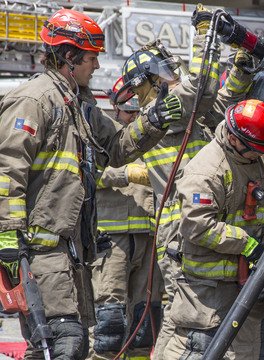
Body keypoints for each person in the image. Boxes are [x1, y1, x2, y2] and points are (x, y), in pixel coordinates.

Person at [0, 8, 180, 359]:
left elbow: (115, 148)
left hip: (72, 253)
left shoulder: (79, 106)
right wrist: (7, 236)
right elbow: (6, 168)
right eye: (91, 58)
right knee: (61, 345)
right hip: (40, 252)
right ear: (69, 56)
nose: (96, 67)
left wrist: (153, 121)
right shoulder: (35, 100)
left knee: (69, 345)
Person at [110, 5, 255, 357]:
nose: (171, 73)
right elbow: (202, 85)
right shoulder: (164, 112)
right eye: (164, 69)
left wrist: (241, 68)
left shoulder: (179, 111)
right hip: (183, 232)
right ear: (149, 79)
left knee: (184, 318)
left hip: (194, 225)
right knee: (186, 323)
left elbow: (222, 103)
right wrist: (205, 32)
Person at [165, 99, 264, 359]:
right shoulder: (207, 171)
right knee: (204, 348)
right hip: (209, 287)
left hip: (254, 278)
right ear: (234, 140)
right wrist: (247, 245)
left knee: (255, 348)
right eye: (257, 151)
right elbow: (197, 225)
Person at [89, 97, 163, 359]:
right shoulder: (101, 133)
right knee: (110, 322)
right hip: (112, 240)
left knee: (146, 323)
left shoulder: (154, 135)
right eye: (128, 110)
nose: (132, 116)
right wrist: (126, 173)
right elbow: (86, 171)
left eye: (136, 111)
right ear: (116, 106)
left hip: (148, 236)